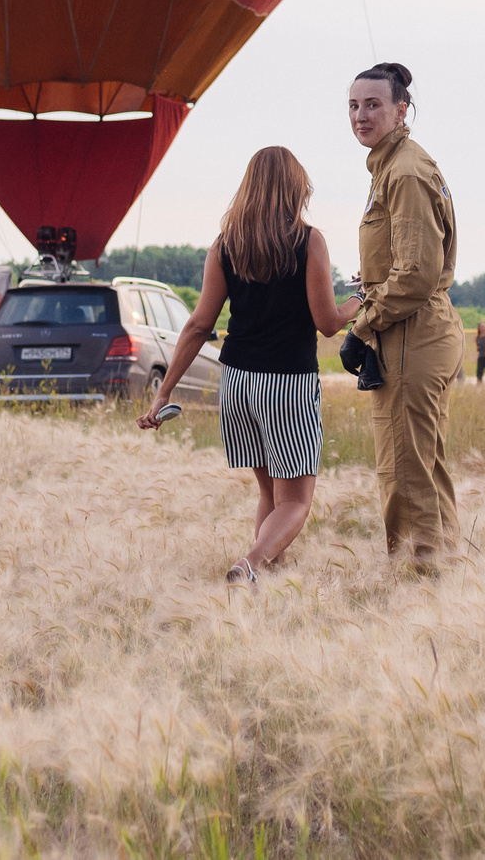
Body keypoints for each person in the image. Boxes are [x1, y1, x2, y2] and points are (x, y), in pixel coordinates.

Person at [140, 147, 349, 584]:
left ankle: (267, 580)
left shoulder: (226, 244)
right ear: (296, 188)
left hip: (235, 382)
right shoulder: (309, 241)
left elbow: (198, 325)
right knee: (296, 500)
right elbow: (328, 323)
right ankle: (250, 565)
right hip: (287, 383)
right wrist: (359, 301)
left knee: (270, 491)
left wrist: (164, 392)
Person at [345, 61, 462, 566]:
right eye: (353, 105)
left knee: (405, 470)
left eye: (373, 105)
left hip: (410, 334)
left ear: (401, 110)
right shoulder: (392, 166)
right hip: (414, 330)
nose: (360, 115)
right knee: (424, 465)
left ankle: (421, 585)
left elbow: (416, 274)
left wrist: (363, 324)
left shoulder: (406, 172)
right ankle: (446, 575)